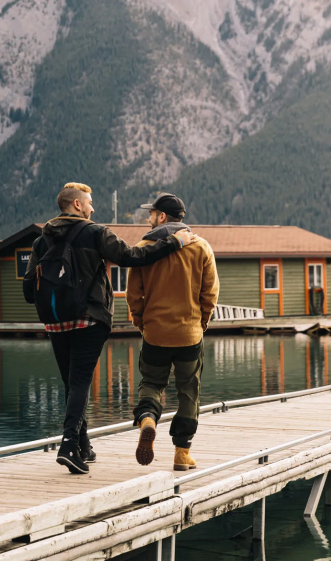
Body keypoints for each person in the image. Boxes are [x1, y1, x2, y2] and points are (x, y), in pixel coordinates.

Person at [24, 182, 200, 475]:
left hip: (56, 321)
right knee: (80, 383)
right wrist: (174, 242)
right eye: (90, 202)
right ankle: (68, 445)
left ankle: (83, 445)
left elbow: (30, 290)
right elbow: (132, 256)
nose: (93, 207)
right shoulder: (95, 232)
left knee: (71, 383)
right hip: (89, 319)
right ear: (78, 205)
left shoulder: (42, 240)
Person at [126, 193, 218, 471]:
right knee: (188, 391)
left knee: (152, 384)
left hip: (155, 333)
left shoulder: (144, 247)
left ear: (162, 217)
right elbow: (210, 293)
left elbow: (134, 294)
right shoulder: (201, 247)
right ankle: (181, 453)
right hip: (189, 333)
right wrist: (201, 323)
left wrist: (141, 322)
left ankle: (148, 420)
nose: (148, 218)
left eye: (151, 214)